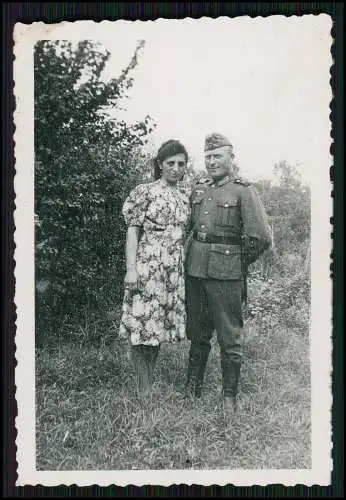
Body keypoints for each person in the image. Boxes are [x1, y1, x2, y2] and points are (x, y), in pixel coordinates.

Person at [183, 133, 272, 419]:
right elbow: (190, 228)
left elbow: (260, 237)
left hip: (227, 274)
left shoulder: (244, 191)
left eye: (217, 156)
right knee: (197, 331)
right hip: (195, 271)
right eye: (208, 156)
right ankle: (191, 388)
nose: (211, 161)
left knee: (229, 336)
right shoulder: (199, 189)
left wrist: (236, 262)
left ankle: (229, 397)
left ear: (231, 158)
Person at [119, 139, 190, 395]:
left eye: (181, 163)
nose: (175, 168)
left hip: (173, 270)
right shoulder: (145, 191)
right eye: (170, 163)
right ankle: (144, 388)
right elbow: (132, 232)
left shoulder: (184, 196)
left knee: (157, 326)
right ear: (160, 164)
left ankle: (148, 383)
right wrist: (131, 269)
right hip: (148, 266)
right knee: (142, 325)